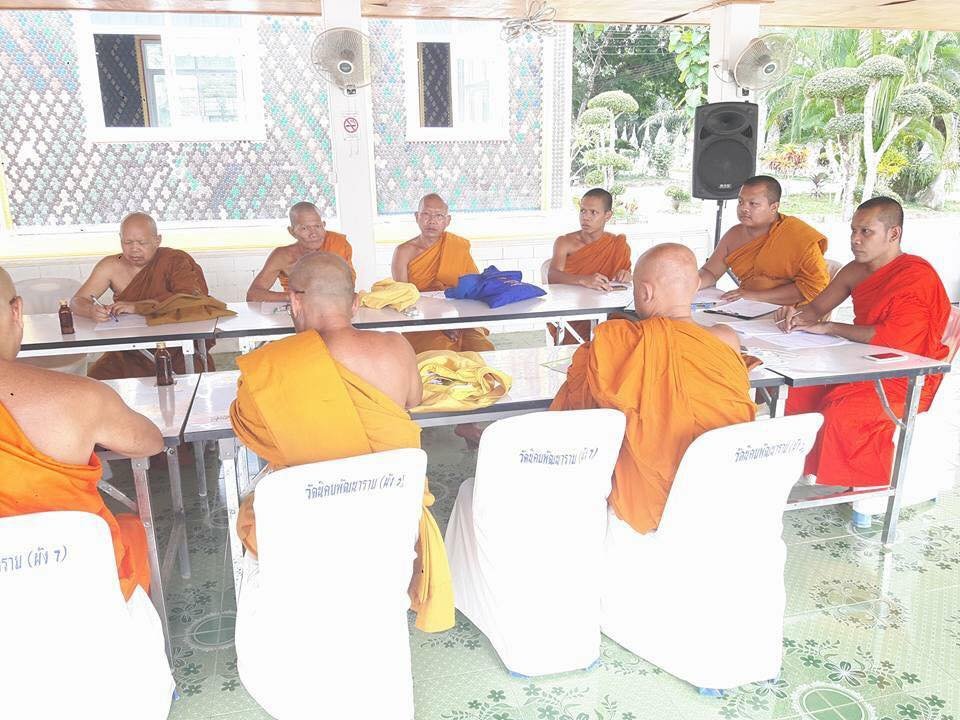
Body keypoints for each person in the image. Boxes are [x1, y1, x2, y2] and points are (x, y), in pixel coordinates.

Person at [230, 252, 454, 632]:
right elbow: (414, 399)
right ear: (355, 303)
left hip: (308, 532)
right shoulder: (398, 348)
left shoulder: (270, 368)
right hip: (386, 523)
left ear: (294, 302)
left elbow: (250, 430)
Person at [551, 244, 756, 534]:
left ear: (645, 293)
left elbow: (576, 419)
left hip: (653, 503)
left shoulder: (618, 344)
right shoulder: (726, 339)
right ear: (696, 286)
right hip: (726, 493)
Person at [0, 266, 163, 599]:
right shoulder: (82, 397)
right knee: (131, 528)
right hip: (80, 584)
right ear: (17, 310)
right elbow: (150, 442)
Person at [775, 197, 950, 488]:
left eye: (866, 232)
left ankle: (863, 489)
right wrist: (795, 315)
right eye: (853, 231)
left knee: (842, 413)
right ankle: (798, 471)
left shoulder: (916, 276)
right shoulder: (855, 270)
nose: (855, 239)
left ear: (893, 234)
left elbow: (894, 340)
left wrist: (830, 328)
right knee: (796, 393)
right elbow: (816, 308)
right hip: (859, 362)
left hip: (903, 374)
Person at [72, 212, 215, 380]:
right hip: (130, 350)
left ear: (157, 240)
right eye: (128, 242)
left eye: (142, 243)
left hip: (176, 346)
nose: (134, 249)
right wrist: (91, 310)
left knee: (193, 386)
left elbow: (193, 300)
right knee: (95, 384)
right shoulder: (110, 266)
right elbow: (77, 301)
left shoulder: (175, 261)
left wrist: (138, 307)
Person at [699, 176, 830, 306]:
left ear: (774, 207)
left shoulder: (798, 236)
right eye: (740, 202)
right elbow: (711, 272)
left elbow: (815, 286)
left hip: (792, 312)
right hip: (746, 307)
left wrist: (754, 296)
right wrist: (692, 284)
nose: (744, 208)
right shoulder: (734, 235)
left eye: (753, 204)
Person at [391, 193, 494, 355]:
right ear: (417, 217)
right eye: (426, 214)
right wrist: (439, 323)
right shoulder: (403, 252)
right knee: (441, 355)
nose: (432, 221)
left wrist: (456, 322)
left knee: (483, 352)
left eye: (439, 215)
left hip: (461, 318)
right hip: (422, 322)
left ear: (447, 220)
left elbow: (473, 291)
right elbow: (403, 300)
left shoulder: (457, 247)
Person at [547, 187, 632, 344]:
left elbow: (623, 282)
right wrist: (583, 280)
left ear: (607, 215)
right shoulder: (564, 242)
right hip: (572, 310)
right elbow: (552, 275)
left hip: (608, 310)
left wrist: (626, 276)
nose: (585, 217)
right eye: (582, 211)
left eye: (593, 212)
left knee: (627, 331)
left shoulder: (618, 245)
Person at [246, 201, 354, 302]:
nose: (313, 234)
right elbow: (253, 295)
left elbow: (348, 287)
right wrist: (294, 297)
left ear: (324, 225)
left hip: (334, 307)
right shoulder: (283, 256)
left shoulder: (338, 244)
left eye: (317, 226)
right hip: (297, 310)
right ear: (292, 231)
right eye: (304, 228)